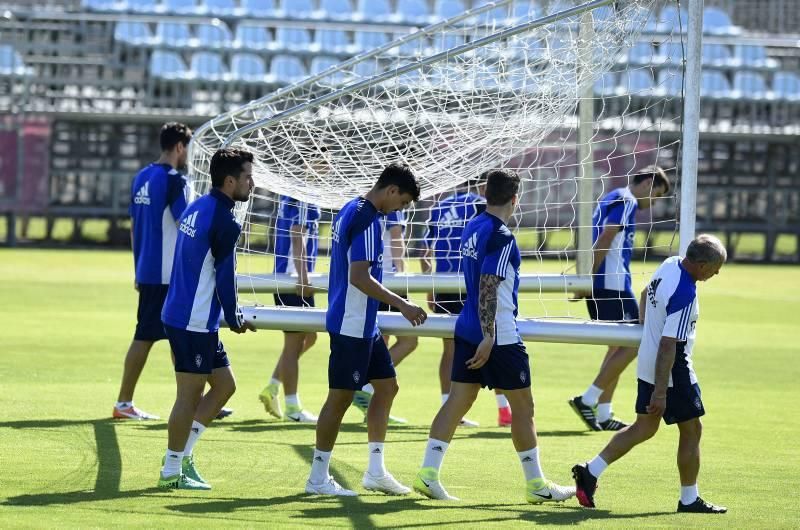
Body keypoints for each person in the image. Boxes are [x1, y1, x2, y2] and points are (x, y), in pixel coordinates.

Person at [413, 169, 575, 504]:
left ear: (486, 193)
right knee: (523, 407)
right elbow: (489, 284)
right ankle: (536, 485)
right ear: (515, 199)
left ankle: (428, 475)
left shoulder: (472, 225)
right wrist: (490, 336)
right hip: (497, 335)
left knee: (457, 402)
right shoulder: (501, 235)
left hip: (467, 326)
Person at [573, 234, 728, 514]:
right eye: (716, 268)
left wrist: (648, 331)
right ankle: (689, 499)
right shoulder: (685, 293)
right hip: (671, 370)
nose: (716, 273)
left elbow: (645, 293)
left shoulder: (670, 264)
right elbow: (669, 345)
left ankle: (590, 470)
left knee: (644, 427)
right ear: (702, 265)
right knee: (692, 429)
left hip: (647, 359)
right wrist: (660, 391)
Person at [306, 162, 426, 496]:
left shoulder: (350, 207)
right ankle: (317, 478)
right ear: (391, 191)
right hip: (351, 323)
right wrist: (402, 304)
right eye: (400, 203)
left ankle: (375, 471)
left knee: (387, 387)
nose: (397, 211)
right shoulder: (369, 220)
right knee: (339, 399)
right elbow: (359, 276)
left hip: (364, 324)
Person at [157, 148, 256, 490]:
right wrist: (235, 317)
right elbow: (225, 276)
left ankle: (182, 455)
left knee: (225, 385)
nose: (252, 184)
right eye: (247, 178)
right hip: (192, 319)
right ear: (230, 181)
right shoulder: (225, 221)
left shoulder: (200, 204)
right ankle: (171, 470)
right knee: (188, 395)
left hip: (189, 315)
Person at [569, 167, 671, 431]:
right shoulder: (627, 200)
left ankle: (603, 413)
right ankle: (588, 399)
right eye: (657, 195)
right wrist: (587, 277)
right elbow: (605, 237)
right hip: (611, 284)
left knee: (616, 348)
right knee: (636, 341)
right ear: (648, 182)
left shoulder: (612, 196)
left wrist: (586, 278)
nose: (654, 203)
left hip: (605, 283)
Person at [112, 122, 192, 421]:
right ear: (180, 147)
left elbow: (135, 228)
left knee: (177, 337)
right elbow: (187, 226)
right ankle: (123, 403)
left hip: (147, 269)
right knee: (149, 336)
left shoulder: (141, 176)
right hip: (167, 273)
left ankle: (190, 400)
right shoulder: (174, 181)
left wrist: (137, 268)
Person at [421, 175, 512, 428]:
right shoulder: (481, 207)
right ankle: (504, 410)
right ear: (484, 186)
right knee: (493, 339)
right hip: (471, 281)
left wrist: (430, 285)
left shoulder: (440, 206)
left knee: (449, 348)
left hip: (442, 282)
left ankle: (448, 407)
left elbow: (425, 250)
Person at [259, 195, 321, 423]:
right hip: (293, 281)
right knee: (294, 344)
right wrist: (304, 278)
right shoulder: (305, 196)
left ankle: (273, 385)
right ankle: (293, 407)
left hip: (287, 279)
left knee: (310, 337)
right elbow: (297, 234)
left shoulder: (289, 195)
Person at [351, 209, 416, 425]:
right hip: (390, 279)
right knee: (409, 340)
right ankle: (366, 388)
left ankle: (370, 402)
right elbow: (396, 235)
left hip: (377, 278)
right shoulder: (394, 205)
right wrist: (403, 273)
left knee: (382, 340)